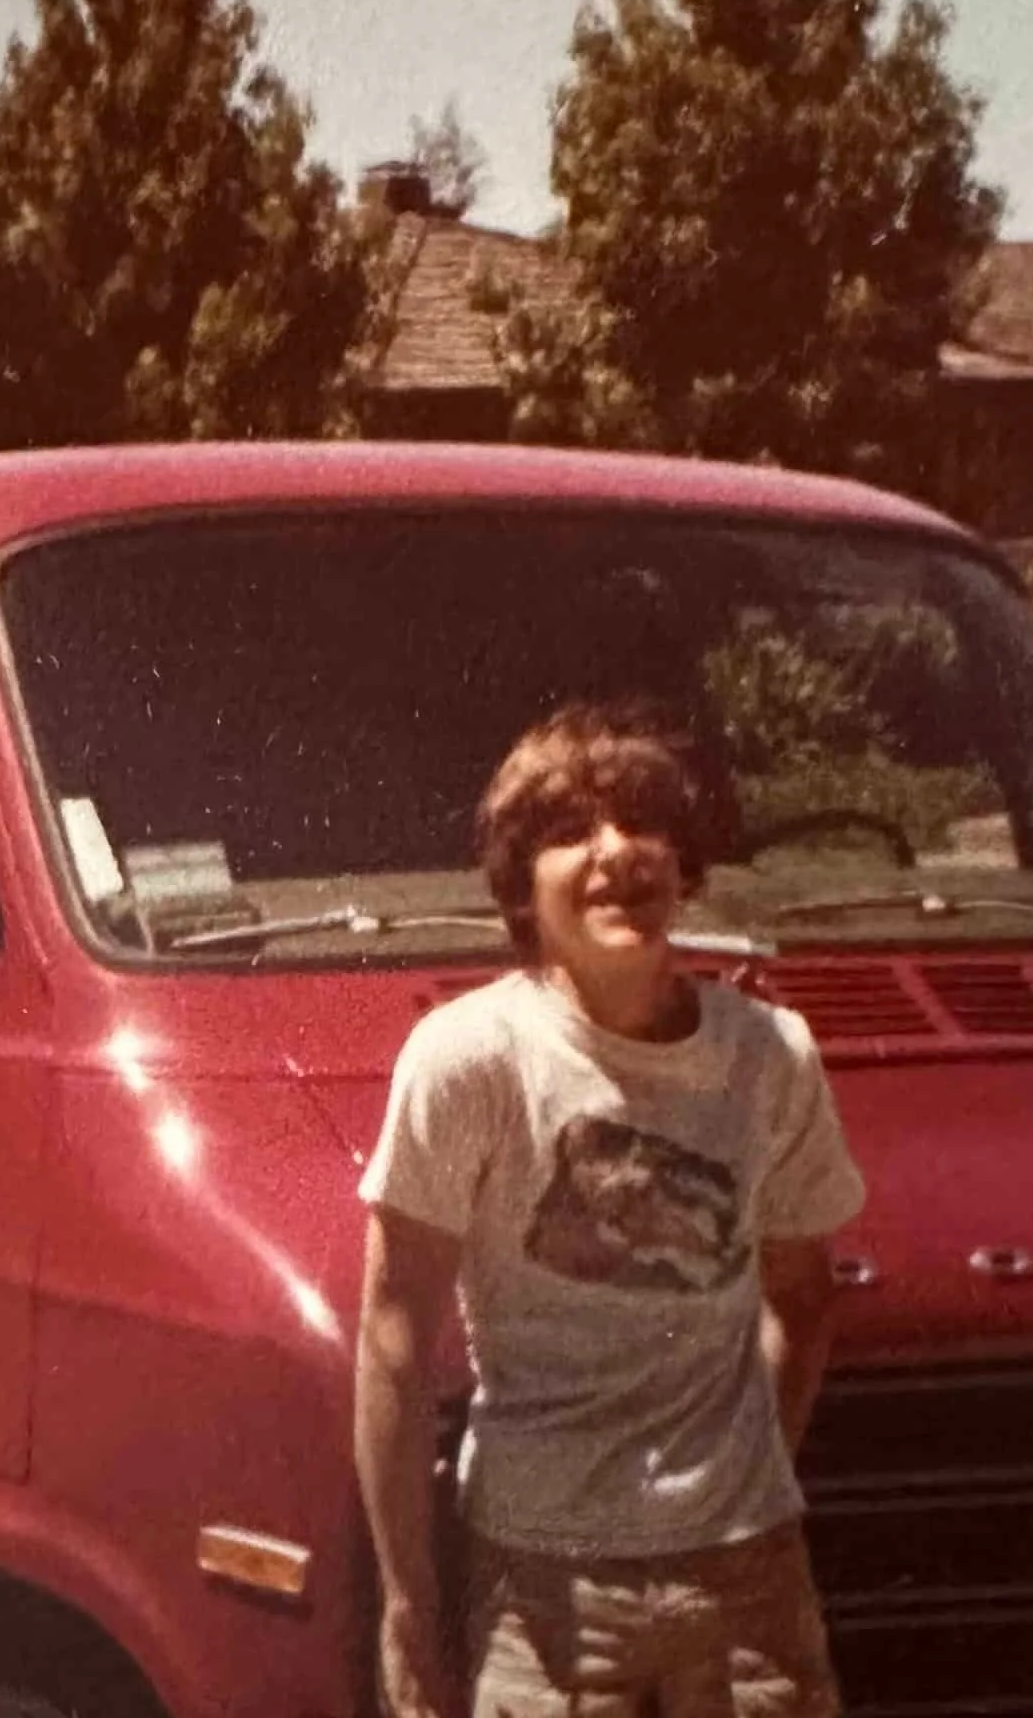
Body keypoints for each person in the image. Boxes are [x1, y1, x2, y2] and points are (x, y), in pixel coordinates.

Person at [353, 700, 868, 1718]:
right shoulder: (469, 1058)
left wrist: (730, 1472)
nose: (616, 851)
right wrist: (407, 1600)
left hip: (747, 1581)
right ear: (518, 887)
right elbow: (393, 1327)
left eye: (642, 822)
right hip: (541, 1588)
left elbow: (801, 1296)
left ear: (682, 862)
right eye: (567, 832)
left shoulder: (772, 1055)